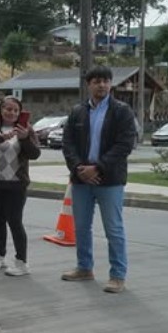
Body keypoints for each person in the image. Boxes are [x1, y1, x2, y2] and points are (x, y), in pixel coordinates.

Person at [61, 65, 137, 294]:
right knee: (82, 227)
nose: (101, 85)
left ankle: (117, 276)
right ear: (89, 85)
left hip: (109, 180)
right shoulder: (77, 112)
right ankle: (84, 267)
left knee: (113, 229)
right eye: (96, 81)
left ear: (110, 84)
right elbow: (68, 144)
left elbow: (124, 145)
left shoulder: (122, 111)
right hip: (81, 179)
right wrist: (78, 168)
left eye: (105, 81)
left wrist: (98, 168)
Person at [0, 96, 41, 276]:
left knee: (15, 221)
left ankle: (21, 263)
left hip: (16, 184)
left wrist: (25, 138)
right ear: (0, 110)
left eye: (15, 110)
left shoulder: (25, 129)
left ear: (19, 113)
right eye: (7, 109)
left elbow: (35, 154)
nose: (11, 113)